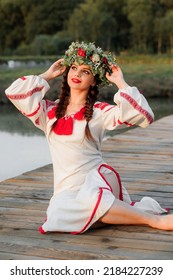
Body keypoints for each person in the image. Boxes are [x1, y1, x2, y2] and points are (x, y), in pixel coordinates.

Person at [5, 41, 173, 234]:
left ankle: (153, 221)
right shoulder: (48, 112)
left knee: (90, 200)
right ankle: (111, 214)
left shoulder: (98, 112)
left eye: (85, 71)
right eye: (74, 68)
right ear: (67, 72)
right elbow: (15, 92)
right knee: (58, 212)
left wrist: (120, 81)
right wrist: (47, 75)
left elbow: (143, 115)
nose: (77, 74)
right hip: (66, 190)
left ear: (93, 80)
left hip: (96, 180)